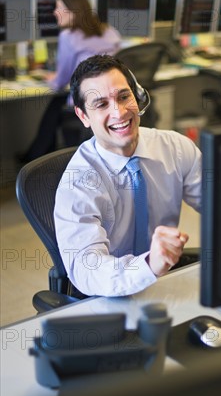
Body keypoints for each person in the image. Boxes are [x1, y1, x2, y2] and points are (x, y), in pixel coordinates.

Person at [54, 54, 201, 297]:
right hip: (107, 295)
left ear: (137, 97)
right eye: (101, 104)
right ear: (83, 116)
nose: (119, 112)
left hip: (165, 283)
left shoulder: (175, 147)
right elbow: (86, 268)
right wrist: (147, 265)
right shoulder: (77, 182)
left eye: (124, 97)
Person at [20, 0, 122, 162]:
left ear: (74, 12)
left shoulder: (68, 36)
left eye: (60, 8)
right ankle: (37, 156)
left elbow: (59, 83)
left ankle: (39, 160)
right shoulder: (110, 31)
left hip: (84, 105)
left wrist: (49, 78)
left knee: (55, 107)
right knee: (55, 107)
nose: (55, 12)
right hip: (110, 99)